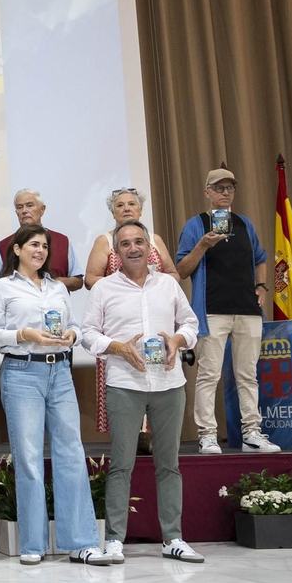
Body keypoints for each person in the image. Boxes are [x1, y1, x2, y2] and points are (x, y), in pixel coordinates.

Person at [0, 226, 110, 567]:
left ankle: (81, 542)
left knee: (72, 453)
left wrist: (72, 335)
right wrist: (24, 334)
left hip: (61, 372)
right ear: (17, 249)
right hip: (22, 372)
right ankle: (33, 543)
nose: (40, 250)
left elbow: (76, 327)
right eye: (33, 245)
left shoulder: (58, 287)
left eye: (44, 246)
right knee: (28, 457)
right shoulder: (1, 288)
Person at [80, 221, 204, 564]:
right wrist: (117, 347)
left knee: (169, 464)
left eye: (138, 242)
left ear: (150, 247)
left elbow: (191, 323)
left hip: (169, 384)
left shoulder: (168, 284)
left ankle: (173, 538)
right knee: (121, 464)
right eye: (125, 244)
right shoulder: (104, 288)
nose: (133, 248)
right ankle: (114, 540)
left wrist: (177, 340)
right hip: (125, 385)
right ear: (116, 252)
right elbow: (87, 334)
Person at [176, 168, 279, 454]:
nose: (225, 193)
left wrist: (261, 286)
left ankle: (252, 434)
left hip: (247, 310)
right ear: (207, 192)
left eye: (229, 188)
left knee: (248, 375)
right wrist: (203, 244)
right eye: (219, 188)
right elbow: (182, 269)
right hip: (212, 310)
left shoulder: (245, 223)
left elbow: (260, 257)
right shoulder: (196, 224)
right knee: (209, 374)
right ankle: (207, 435)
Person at [84, 187, 181, 437]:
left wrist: (151, 286)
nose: (126, 208)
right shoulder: (104, 241)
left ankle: (151, 438)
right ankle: (129, 438)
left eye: (131, 204)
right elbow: (91, 278)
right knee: (124, 392)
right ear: (112, 212)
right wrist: (124, 289)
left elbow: (173, 274)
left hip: (154, 327)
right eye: (120, 205)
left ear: (141, 210)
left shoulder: (155, 240)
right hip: (120, 328)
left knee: (159, 385)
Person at [0, 189, 82, 292]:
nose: (24, 211)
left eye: (29, 205)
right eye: (20, 207)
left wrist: (52, 283)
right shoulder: (4, 246)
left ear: (42, 209)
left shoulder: (63, 241)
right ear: (16, 212)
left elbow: (78, 281)